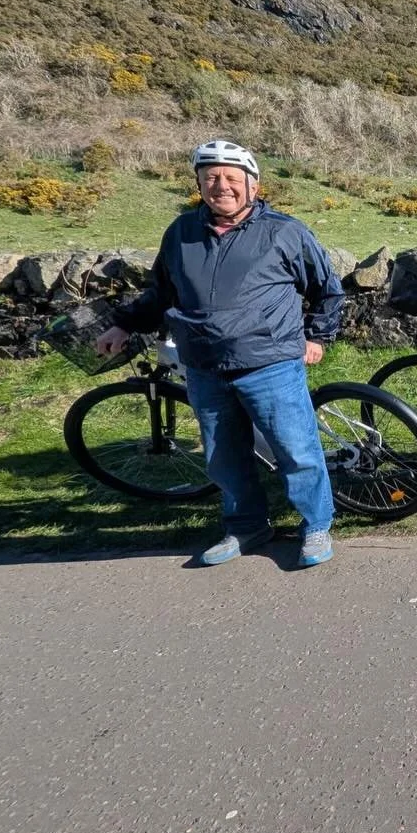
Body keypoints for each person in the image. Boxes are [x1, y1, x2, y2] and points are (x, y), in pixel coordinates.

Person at [95, 140, 345, 567]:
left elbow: (327, 288)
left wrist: (317, 336)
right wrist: (124, 323)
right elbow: (161, 293)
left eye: (231, 177)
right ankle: (247, 527)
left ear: (253, 185)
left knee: (297, 451)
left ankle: (315, 525)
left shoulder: (284, 232)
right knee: (223, 457)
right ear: (198, 184)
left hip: (270, 362)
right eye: (210, 177)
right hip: (205, 365)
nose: (221, 186)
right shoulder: (181, 232)